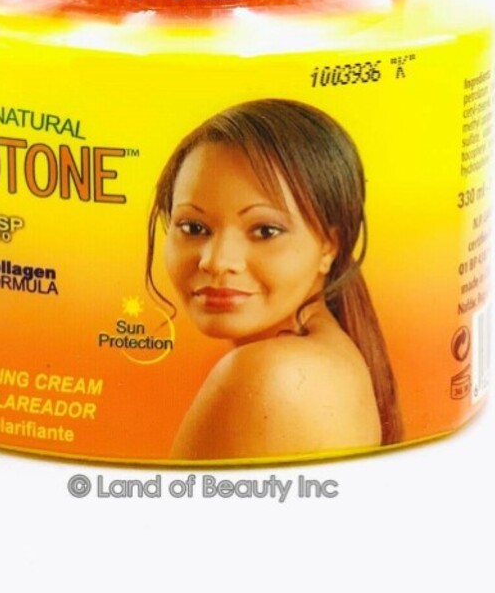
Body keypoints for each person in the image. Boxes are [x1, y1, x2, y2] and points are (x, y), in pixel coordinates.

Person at [146, 99, 402, 460]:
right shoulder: (334, 354)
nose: (217, 261)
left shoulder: (266, 374)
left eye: (265, 231)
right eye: (194, 227)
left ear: (330, 245)